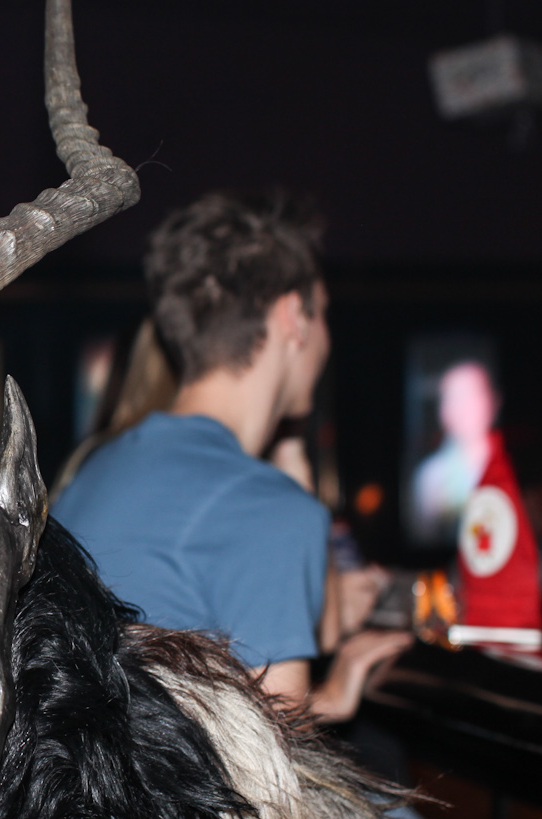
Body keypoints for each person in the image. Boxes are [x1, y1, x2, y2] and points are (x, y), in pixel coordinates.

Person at [52, 191, 412, 723]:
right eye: (324, 313)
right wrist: (333, 696)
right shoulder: (264, 507)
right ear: (293, 316)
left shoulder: (96, 469)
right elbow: (279, 735)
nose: (327, 339)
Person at [409, 360, 499, 546]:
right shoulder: (431, 476)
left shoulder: (511, 465)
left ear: (492, 402)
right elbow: (424, 540)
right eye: (452, 398)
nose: (462, 408)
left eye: (470, 395)